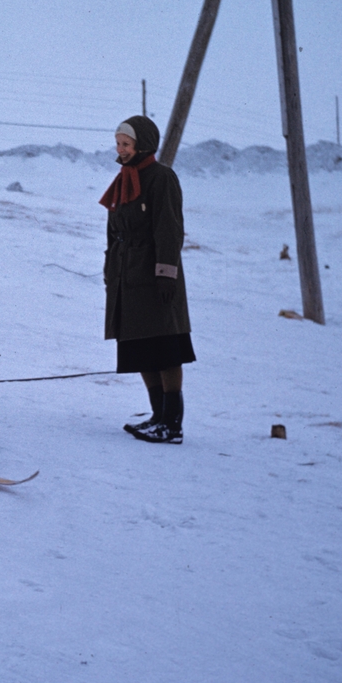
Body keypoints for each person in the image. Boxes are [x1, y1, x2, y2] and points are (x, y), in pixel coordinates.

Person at [100, 115, 195, 444]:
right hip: (128, 277)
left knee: (166, 348)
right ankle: (157, 417)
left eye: (126, 144)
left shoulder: (161, 178)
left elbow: (168, 229)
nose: (121, 149)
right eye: (118, 144)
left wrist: (166, 273)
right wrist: (110, 270)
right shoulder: (123, 179)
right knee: (141, 348)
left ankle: (172, 424)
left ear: (142, 145)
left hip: (155, 278)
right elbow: (113, 233)